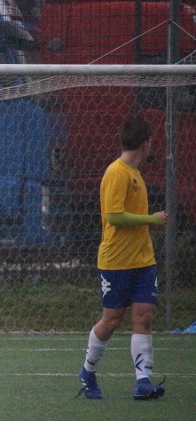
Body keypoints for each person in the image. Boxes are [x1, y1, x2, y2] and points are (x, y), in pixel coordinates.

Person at [78, 114, 168, 400]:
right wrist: (149, 218)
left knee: (143, 316)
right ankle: (88, 370)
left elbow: (132, 217)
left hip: (143, 261)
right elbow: (115, 217)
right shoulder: (116, 173)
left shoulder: (135, 173)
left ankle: (143, 381)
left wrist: (148, 223)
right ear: (146, 143)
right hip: (116, 261)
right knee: (112, 319)